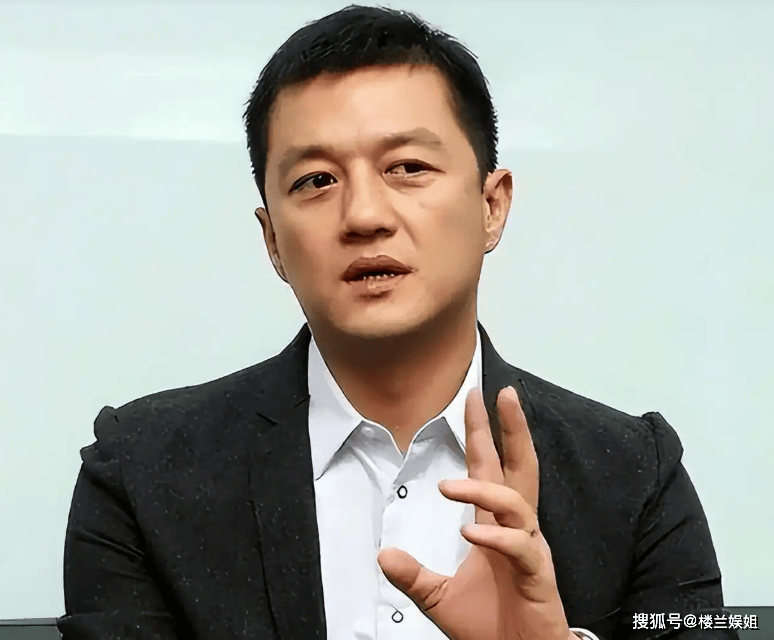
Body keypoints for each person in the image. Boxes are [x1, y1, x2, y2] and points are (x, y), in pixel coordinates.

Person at [57, 5, 737, 640]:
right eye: (315, 180)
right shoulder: (140, 473)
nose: (363, 215)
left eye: (408, 167)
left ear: (492, 206)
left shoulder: (635, 474)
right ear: (272, 241)